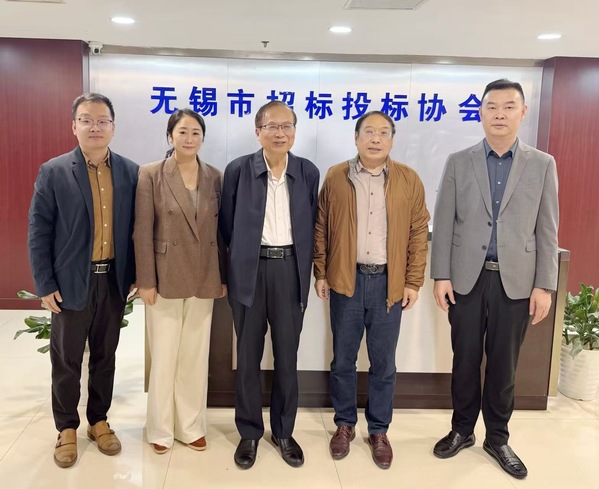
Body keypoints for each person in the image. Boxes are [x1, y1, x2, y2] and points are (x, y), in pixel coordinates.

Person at [430, 79, 559, 479]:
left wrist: (544, 285)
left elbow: (547, 229)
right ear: (481, 112)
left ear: (523, 112)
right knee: (465, 359)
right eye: (492, 106)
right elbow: (445, 221)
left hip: (516, 283)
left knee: (504, 365)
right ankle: (462, 429)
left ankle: (498, 438)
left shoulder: (542, 164)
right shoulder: (459, 161)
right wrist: (441, 275)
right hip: (466, 280)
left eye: (508, 106)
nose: (499, 114)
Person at [313, 111, 430, 469]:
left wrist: (412, 281)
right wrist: (321, 272)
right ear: (356, 138)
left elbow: (418, 233)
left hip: (387, 285)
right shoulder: (336, 176)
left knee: (383, 363)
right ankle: (344, 424)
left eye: (383, 133)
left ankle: (379, 430)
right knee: (342, 360)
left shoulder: (409, 179)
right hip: (346, 280)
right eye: (368, 132)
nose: (375, 139)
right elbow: (321, 227)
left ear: (392, 140)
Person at [28, 93, 138, 468]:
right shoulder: (55, 171)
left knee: (106, 356)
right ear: (73, 125)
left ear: (113, 127)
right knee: (67, 359)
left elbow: (136, 230)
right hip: (70, 282)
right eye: (87, 120)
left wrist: (135, 275)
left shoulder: (130, 172)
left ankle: (98, 420)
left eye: (102, 120)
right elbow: (39, 230)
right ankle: (66, 427)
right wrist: (44, 283)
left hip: (113, 281)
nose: (95, 127)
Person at [219, 101, 319, 469]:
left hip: (290, 270)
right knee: (247, 356)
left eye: (287, 126)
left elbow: (312, 223)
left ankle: (283, 431)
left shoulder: (307, 171)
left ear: (294, 131)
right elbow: (225, 227)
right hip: (249, 272)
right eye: (272, 126)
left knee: (287, 357)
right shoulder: (238, 170)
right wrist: (231, 272)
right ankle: (249, 432)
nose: (280, 133)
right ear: (257, 131)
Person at [133, 109, 226, 454]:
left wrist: (222, 276)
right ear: (170, 135)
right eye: (183, 132)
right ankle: (160, 428)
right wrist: (146, 280)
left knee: (194, 356)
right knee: (164, 356)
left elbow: (221, 233)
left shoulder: (214, 176)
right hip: (164, 275)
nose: (189, 138)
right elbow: (142, 230)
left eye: (196, 132)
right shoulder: (151, 174)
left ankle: (190, 426)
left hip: (204, 274)